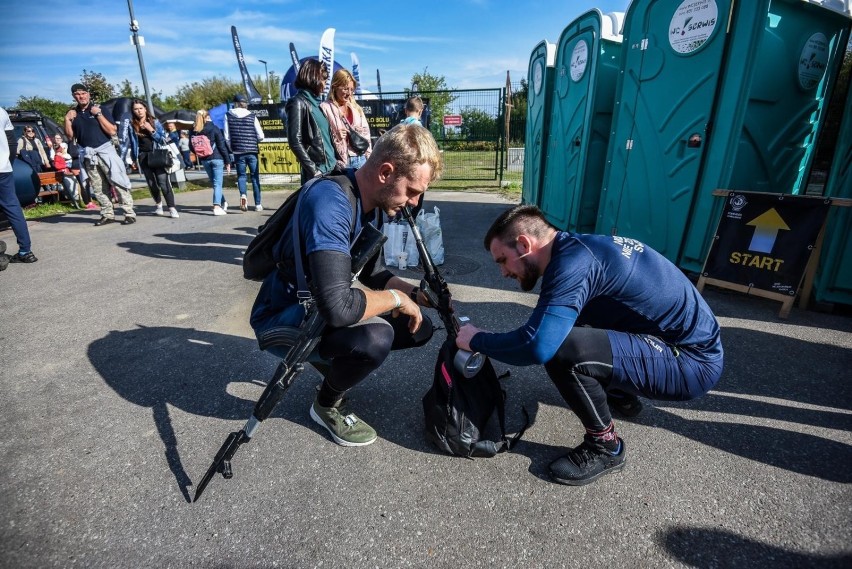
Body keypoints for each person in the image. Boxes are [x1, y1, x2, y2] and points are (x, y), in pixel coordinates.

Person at [456, 205, 724, 486]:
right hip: (676, 344)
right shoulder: (578, 248)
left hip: (691, 362)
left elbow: (537, 346)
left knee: (562, 350)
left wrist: (476, 340)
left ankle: (606, 446)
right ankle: (621, 394)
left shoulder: (573, 264)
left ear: (524, 244)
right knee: (568, 323)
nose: (502, 272)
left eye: (502, 260)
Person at [250, 123, 443, 446]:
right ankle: (326, 405)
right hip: (280, 317)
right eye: (411, 191)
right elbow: (339, 308)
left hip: (313, 308)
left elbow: (375, 274)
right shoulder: (331, 204)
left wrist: (417, 295)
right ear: (385, 172)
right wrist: (396, 298)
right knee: (377, 336)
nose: (414, 202)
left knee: (418, 328)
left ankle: (335, 363)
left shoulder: (370, 201)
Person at [65, 83, 136, 226]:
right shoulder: (73, 113)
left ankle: (129, 213)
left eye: (83, 93)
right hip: (88, 155)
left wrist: (98, 114)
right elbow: (70, 136)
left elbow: (112, 131)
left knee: (117, 182)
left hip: (105, 151)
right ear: (74, 96)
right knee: (98, 187)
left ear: (88, 94)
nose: (81, 96)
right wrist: (67, 119)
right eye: (77, 94)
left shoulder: (99, 108)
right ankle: (107, 214)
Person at [285, 59, 337, 184]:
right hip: (319, 173)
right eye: (323, 80)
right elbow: (294, 140)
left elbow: (326, 139)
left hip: (331, 169)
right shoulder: (298, 102)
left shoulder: (318, 105)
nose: (325, 85)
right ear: (314, 77)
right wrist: (313, 170)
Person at [0, 107, 37, 264]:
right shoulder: (1, 111)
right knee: (13, 206)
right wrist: (8, 163)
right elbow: (11, 142)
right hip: (3, 168)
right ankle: (25, 251)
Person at [131, 100, 178, 218]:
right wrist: (133, 158)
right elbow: (132, 143)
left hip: (157, 155)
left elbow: (162, 140)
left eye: (141, 108)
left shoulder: (154, 122)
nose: (139, 111)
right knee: (151, 183)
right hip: (143, 156)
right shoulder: (133, 124)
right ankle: (158, 206)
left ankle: (172, 208)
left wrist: (150, 130)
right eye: (136, 109)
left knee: (163, 182)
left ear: (145, 109)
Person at [320, 69, 372, 171]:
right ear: (335, 87)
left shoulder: (356, 108)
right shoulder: (325, 108)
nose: (349, 93)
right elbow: (321, 137)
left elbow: (366, 134)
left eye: (352, 90)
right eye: (345, 89)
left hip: (361, 159)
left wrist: (369, 157)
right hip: (339, 161)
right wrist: (336, 136)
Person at [225, 94, 265, 212]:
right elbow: (261, 136)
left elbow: (227, 137)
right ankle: (258, 204)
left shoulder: (228, 115)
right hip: (252, 151)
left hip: (238, 151)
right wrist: (253, 140)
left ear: (235, 103)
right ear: (245, 104)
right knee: (254, 177)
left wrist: (232, 148)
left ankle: (243, 196)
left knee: (241, 176)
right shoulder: (252, 116)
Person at [191, 109, 230, 216]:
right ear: (208, 117)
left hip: (204, 159)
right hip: (217, 158)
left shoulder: (195, 130)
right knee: (218, 183)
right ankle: (216, 207)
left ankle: (223, 202)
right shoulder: (214, 128)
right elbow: (222, 146)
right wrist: (227, 161)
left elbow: (192, 146)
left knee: (214, 183)